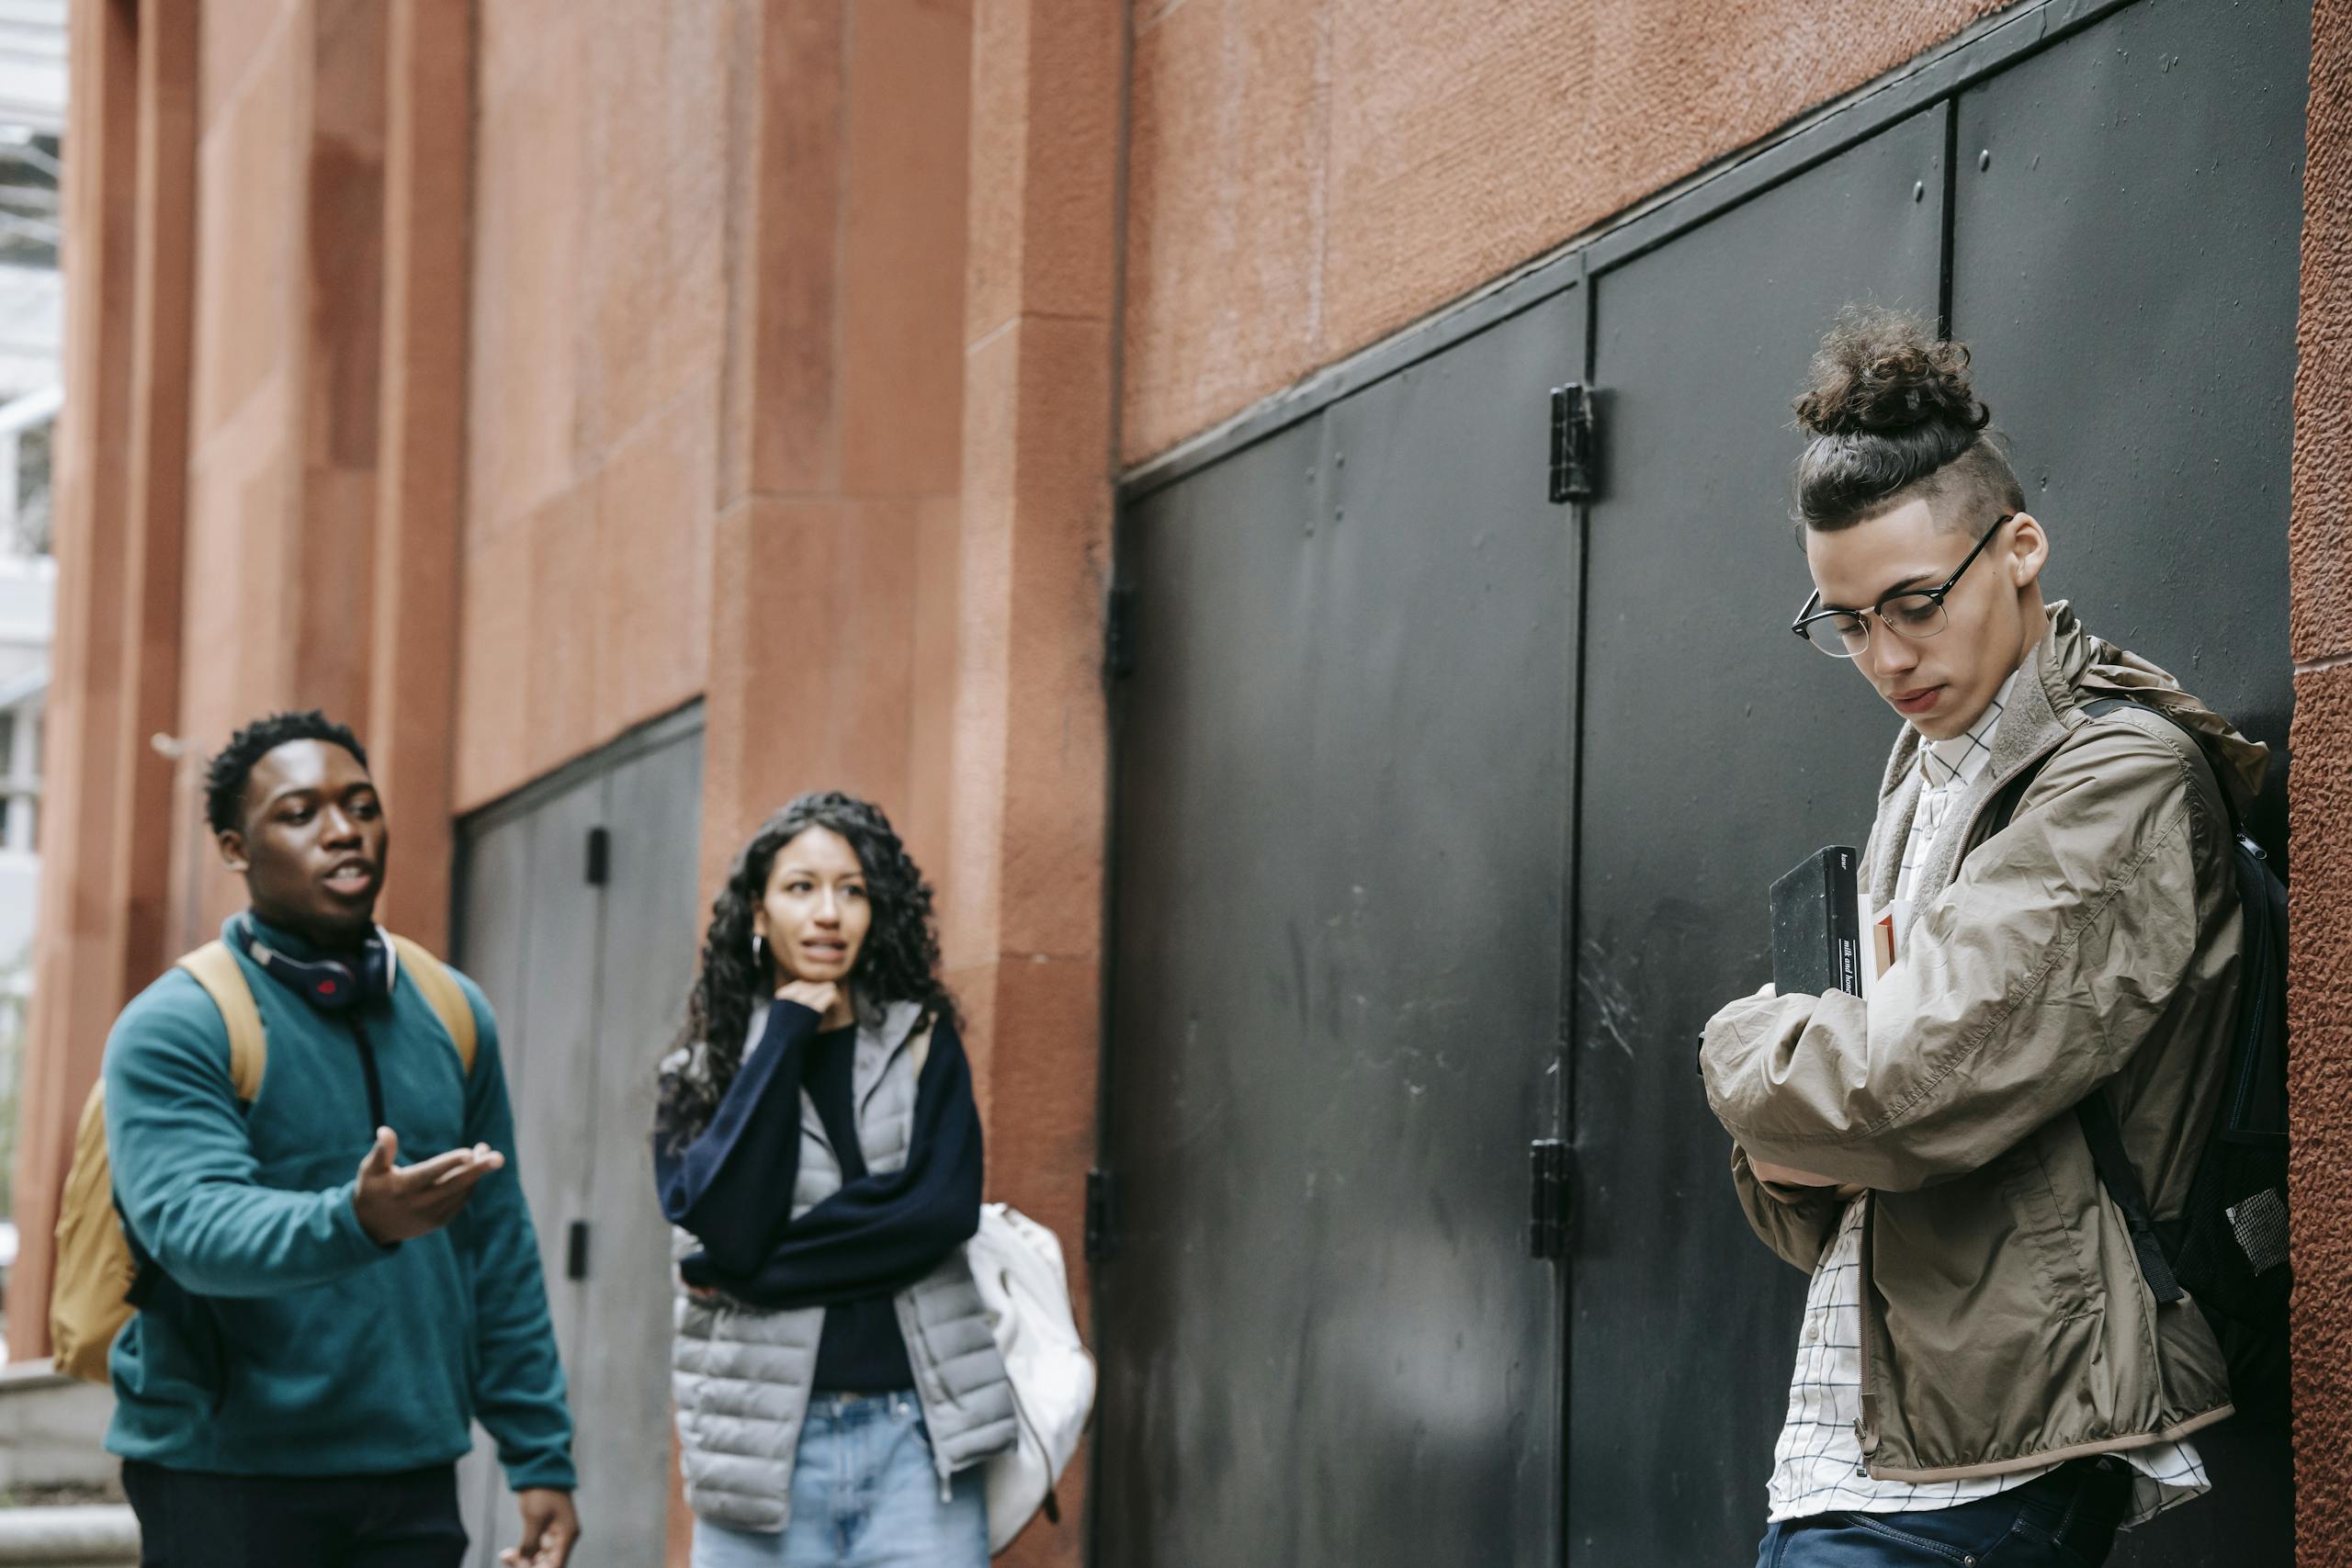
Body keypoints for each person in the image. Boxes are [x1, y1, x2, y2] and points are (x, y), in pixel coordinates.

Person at [1699, 310, 2267, 1568]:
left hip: (1994, 1459)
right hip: (1859, 1434)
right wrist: (1803, 1126)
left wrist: (1738, 1047)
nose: (1886, 655)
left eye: (1912, 603)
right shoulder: (1928, 778)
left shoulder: (2117, 774)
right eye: (1846, 621)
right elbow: (1818, 1191)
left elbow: (1900, 1091)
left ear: (2019, 547)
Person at [101, 710, 580, 1568]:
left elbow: (497, 1244)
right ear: (234, 848)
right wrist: (359, 1220)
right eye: (300, 813)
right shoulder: (178, 1024)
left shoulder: (452, 1009)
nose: (343, 831)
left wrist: (538, 1449)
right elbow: (194, 1231)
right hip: (226, 1477)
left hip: (410, 1474)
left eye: (361, 805)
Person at [655, 792, 1015, 1568]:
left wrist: (744, 1271)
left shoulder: (921, 1041)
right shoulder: (702, 1071)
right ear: (759, 913)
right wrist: (784, 1032)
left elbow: (937, 1214)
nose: (828, 913)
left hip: (915, 1444)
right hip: (761, 1455)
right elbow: (727, 1221)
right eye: (801, 888)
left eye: (851, 890)